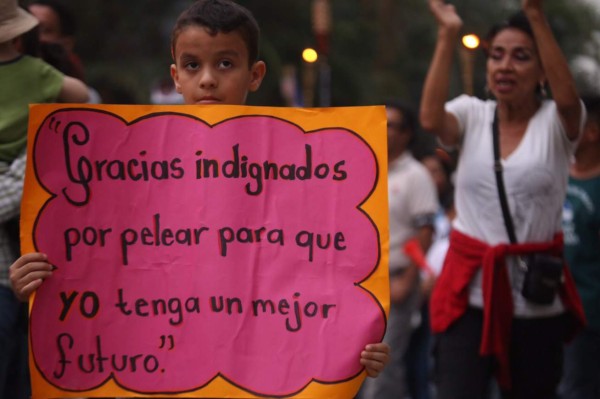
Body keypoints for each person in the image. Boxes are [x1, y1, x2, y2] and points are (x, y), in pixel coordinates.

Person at [9, 0, 390, 391]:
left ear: (255, 74)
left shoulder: (300, 168)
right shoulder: (127, 164)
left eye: (225, 64)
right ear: (175, 77)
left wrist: (354, 349)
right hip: (155, 365)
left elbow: (319, 277)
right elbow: (99, 262)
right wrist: (38, 284)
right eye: (193, 65)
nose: (208, 79)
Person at [420, 0, 587, 398]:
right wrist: (447, 34)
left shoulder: (558, 124)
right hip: (468, 297)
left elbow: (566, 99)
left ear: (542, 71)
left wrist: (535, 14)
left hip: (535, 302)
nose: (505, 66)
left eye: (521, 57)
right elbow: (430, 120)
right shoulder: (472, 114)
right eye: (496, 56)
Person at [359, 101, 437, 399]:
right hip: (359, 283)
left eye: (394, 125)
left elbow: (425, 231)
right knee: (356, 364)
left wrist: (409, 279)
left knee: (384, 367)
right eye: (383, 123)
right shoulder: (362, 167)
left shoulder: (416, 175)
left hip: (395, 280)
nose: (386, 130)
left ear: (407, 134)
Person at [559, 95, 600, 399]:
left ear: (592, 132)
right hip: (545, 309)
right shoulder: (554, 174)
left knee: (577, 389)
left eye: (571, 121)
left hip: (589, 315)